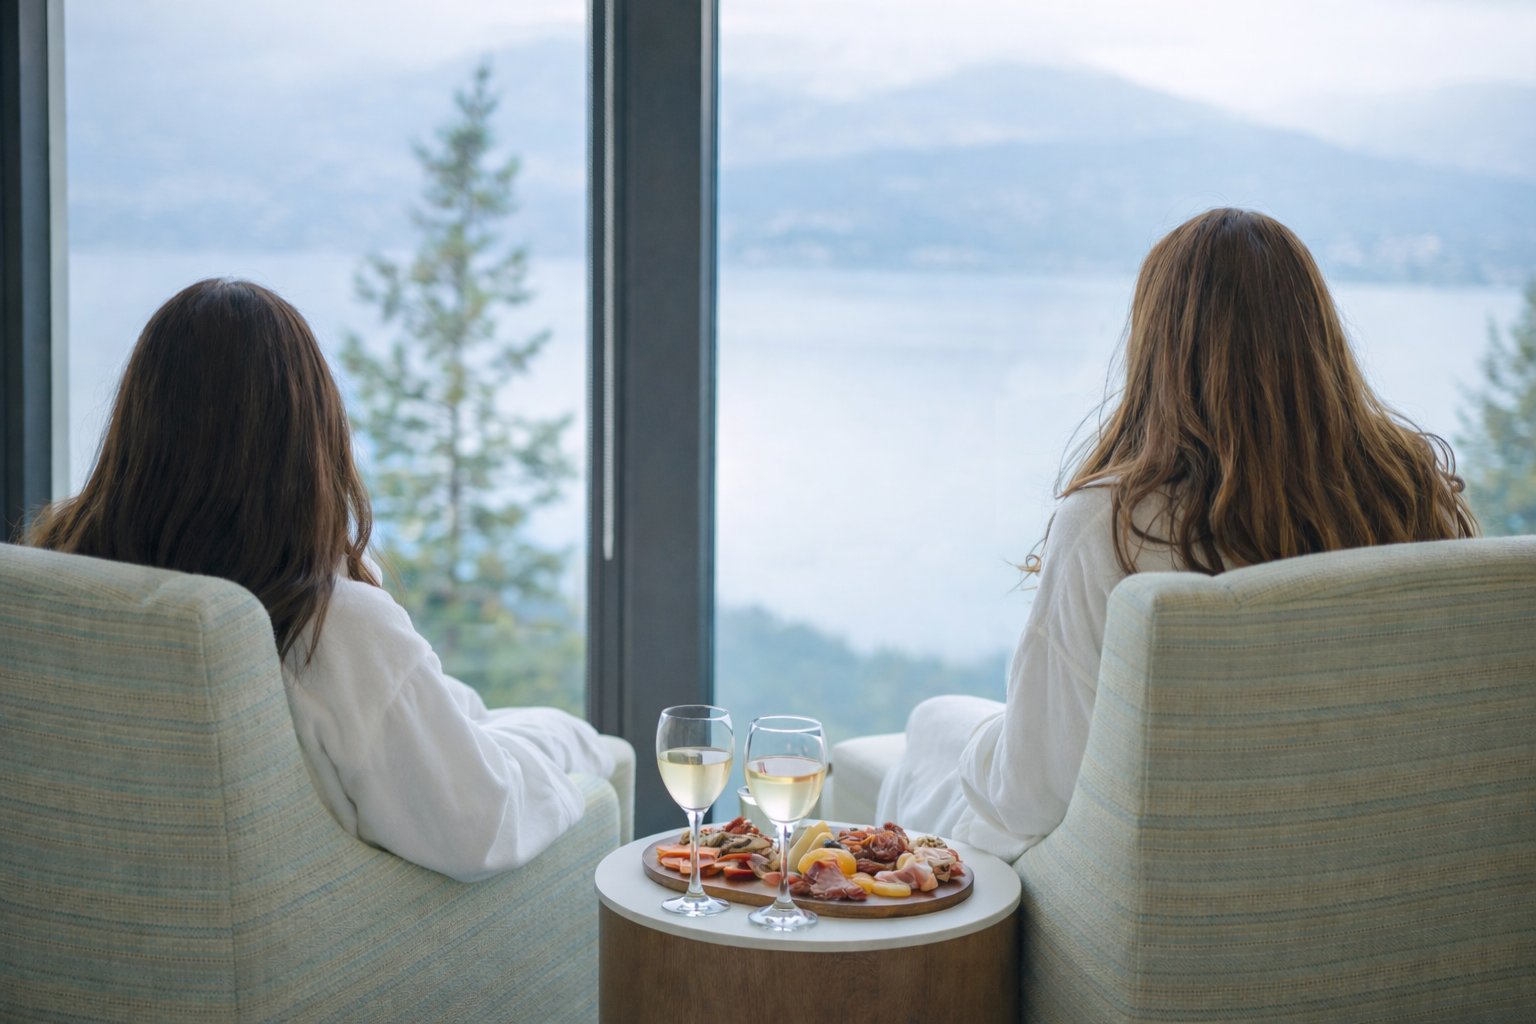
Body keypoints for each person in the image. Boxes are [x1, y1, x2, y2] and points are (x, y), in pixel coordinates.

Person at [876, 208, 1477, 861]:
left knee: (934, 725)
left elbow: (1033, 791)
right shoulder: (1412, 497)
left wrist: (997, 737)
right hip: (1370, 853)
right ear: (1318, 333)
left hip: (1166, 870)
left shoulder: (1113, 526)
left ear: (1156, 344)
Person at [27, 278, 612, 881]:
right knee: (596, 756)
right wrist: (570, 743)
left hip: (74, 937)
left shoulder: (62, 590)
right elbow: (478, 828)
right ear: (312, 434)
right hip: (319, 954)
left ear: (137, 424)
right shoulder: (327, 628)